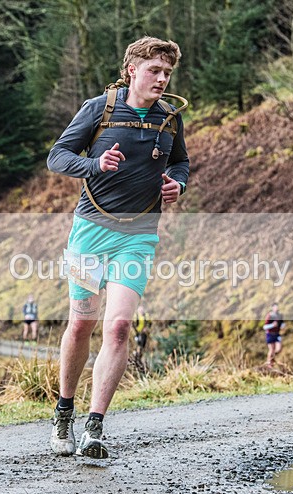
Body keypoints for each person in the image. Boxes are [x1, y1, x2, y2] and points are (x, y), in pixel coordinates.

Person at [46, 36, 189, 459]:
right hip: (90, 231)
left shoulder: (169, 119)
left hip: (139, 235)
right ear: (132, 69)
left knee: (119, 326)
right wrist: (94, 164)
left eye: (167, 73)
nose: (162, 79)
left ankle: (95, 427)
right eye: (154, 71)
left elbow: (180, 162)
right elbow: (57, 157)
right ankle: (64, 412)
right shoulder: (100, 109)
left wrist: (176, 183)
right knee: (81, 324)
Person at [263, 302, 285, 367]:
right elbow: (265, 327)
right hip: (270, 334)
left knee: (279, 349)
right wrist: (273, 325)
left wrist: (282, 325)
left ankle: (271, 359)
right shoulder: (269, 316)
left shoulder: (280, 315)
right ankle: (269, 363)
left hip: (277, 334)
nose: (276, 308)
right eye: (275, 307)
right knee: (271, 349)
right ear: (272, 308)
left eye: (277, 307)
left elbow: (282, 324)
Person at [131, 304, 151, 374]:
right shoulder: (136, 316)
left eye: (142, 310)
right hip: (137, 333)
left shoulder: (146, 315)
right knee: (138, 345)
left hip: (144, 333)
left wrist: (146, 329)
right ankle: (137, 357)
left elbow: (149, 323)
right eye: (140, 310)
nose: (141, 311)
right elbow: (132, 324)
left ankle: (139, 356)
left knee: (142, 346)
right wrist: (135, 331)